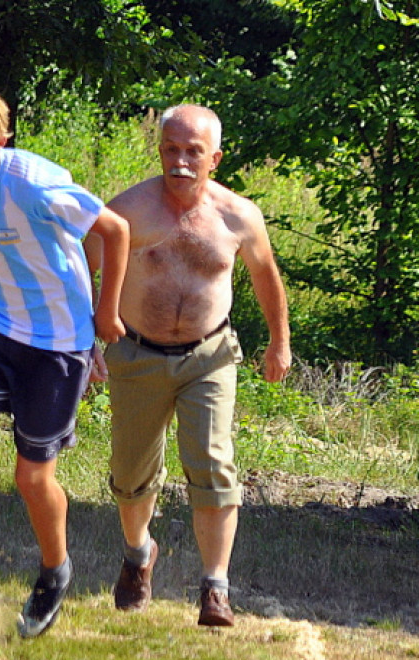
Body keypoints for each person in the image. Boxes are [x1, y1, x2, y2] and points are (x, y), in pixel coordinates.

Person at [0, 87, 129, 638]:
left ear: (3, 142)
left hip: (56, 342)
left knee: (32, 476)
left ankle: (54, 571)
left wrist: (105, 316)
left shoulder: (36, 183)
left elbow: (115, 229)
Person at [99, 104, 291, 626]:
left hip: (210, 355)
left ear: (215, 159)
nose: (180, 161)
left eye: (193, 152)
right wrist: (88, 340)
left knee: (211, 461)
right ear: (159, 151)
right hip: (137, 354)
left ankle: (215, 588)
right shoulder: (127, 211)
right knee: (132, 475)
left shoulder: (238, 215)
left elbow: (265, 276)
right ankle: (139, 554)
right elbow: (82, 269)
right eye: (170, 149)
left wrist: (280, 341)